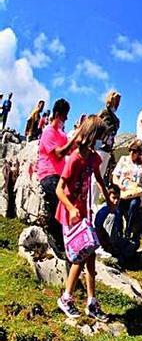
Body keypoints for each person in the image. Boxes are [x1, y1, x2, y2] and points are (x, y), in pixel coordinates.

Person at [55, 116, 113, 322]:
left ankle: (91, 302)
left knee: (90, 256)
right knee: (81, 254)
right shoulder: (75, 159)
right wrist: (71, 208)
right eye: (100, 137)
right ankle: (66, 298)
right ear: (91, 135)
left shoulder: (93, 158)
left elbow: (98, 178)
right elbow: (59, 189)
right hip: (70, 214)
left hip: (84, 212)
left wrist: (108, 199)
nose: (103, 141)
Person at [36, 98, 73, 257]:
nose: (66, 119)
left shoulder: (62, 134)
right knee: (59, 202)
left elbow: (70, 151)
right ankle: (58, 243)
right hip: (48, 175)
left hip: (60, 176)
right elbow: (58, 154)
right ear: (57, 114)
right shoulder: (48, 132)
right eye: (64, 115)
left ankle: (68, 240)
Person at [112, 140, 142, 238]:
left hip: (136, 193)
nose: (132, 153)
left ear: (139, 153)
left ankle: (128, 231)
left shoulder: (140, 164)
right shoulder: (123, 159)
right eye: (130, 150)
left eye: (135, 151)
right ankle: (118, 233)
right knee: (119, 210)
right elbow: (114, 176)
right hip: (124, 191)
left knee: (134, 204)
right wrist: (119, 185)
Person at [98, 90, 122, 184]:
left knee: (101, 175)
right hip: (100, 147)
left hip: (107, 149)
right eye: (116, 101)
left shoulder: (116, 119)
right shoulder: (104, 113)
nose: (117, 104)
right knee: (96, 177)